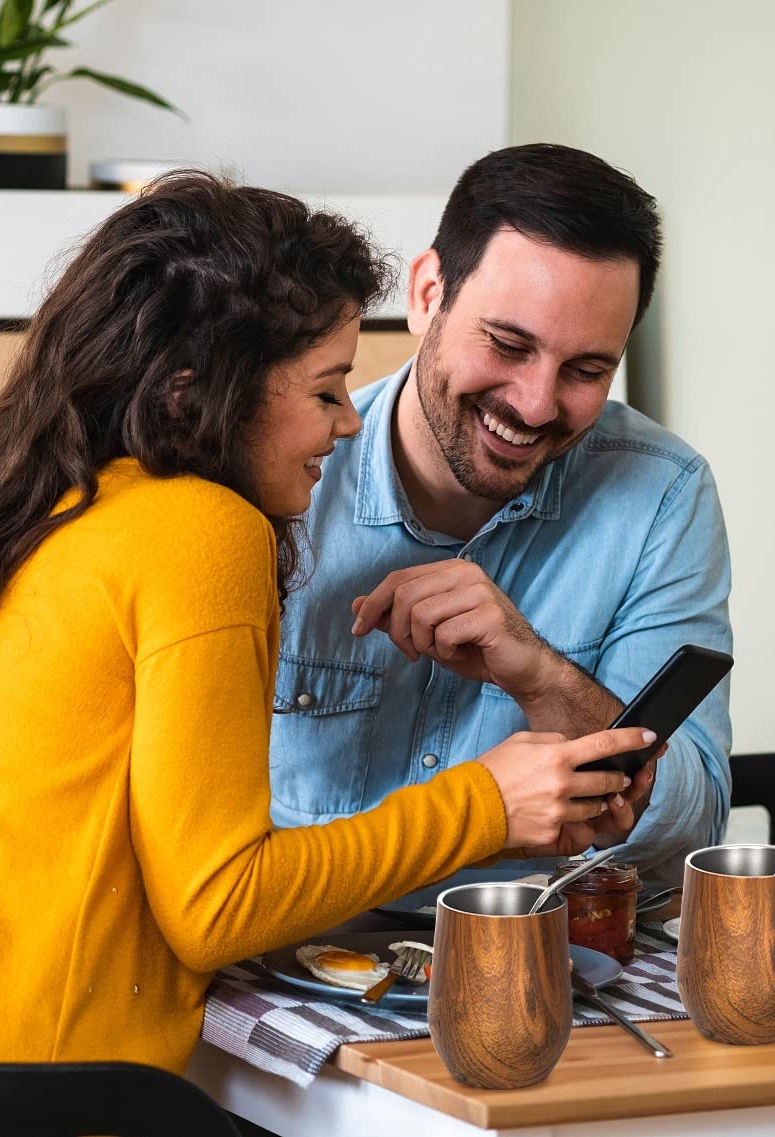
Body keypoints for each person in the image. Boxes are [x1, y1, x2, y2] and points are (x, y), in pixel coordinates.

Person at [0, 172, 653, 1073]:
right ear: (196, 393)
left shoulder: (66, 502)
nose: (347, 424)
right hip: (76, 1093)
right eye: (324, 391)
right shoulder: (202, 530)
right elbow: (218, 907)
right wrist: (486, 802)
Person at [271, 144, 733, 883]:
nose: (535, 404)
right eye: (508, 344)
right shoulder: (278, 481)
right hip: (296, 965)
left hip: (556, 962)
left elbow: (685, 837)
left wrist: (542, 677)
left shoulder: (662, 496)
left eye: (586, 370)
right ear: (427, 294)